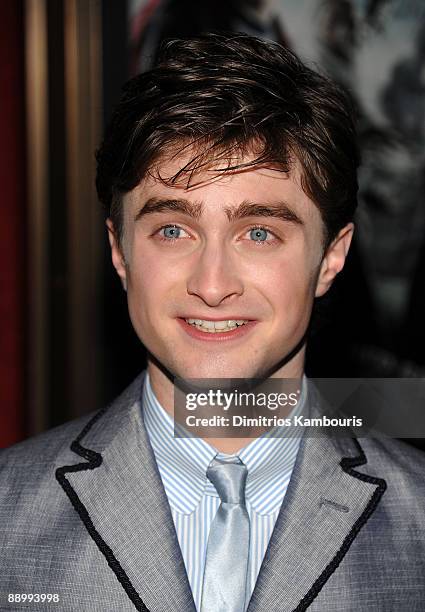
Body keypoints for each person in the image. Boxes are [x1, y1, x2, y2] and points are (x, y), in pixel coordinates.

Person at [1, 33, 424, 612]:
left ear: (331, 256)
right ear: (120, 251)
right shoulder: (7, 513)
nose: (212, 283)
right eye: (173, 230)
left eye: (259, 232)